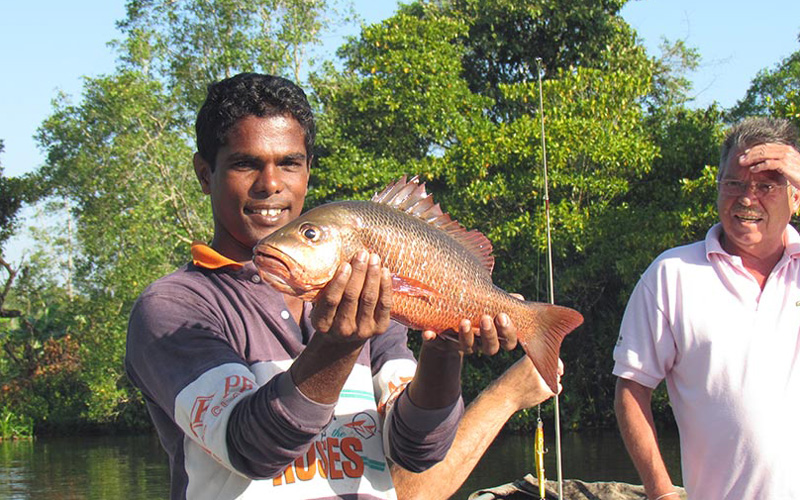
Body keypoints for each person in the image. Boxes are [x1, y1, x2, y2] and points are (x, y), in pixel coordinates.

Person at [125, 72, 557, 500]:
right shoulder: (174, 309)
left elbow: (416, 449)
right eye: (245, 163)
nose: (271, 184)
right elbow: (249, 447)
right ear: (204, 174)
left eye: (290, 163)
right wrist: (337, 346)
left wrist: (443, 350)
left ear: (308, 171)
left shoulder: (369, 300)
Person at [613, 117, 800, 499]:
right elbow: (631, 389)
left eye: (767, 186)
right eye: (734, 184)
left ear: (796, 196)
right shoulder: (672, 275)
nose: (748, 199)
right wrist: (661, 491)